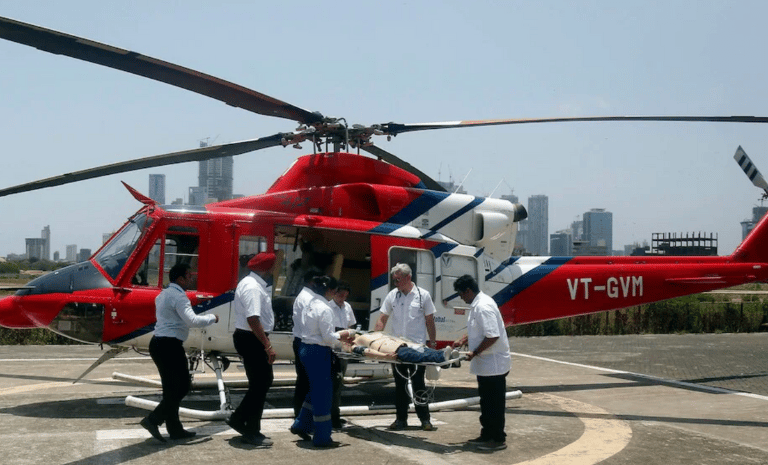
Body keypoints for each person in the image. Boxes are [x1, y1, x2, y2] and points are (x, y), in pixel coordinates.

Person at [140, 263, 219, 442]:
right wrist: (212, 318)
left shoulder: (162, 294)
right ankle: (153, 420)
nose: (191, 279)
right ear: (180, 279)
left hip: (158, 343)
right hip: (170, 345)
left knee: (171, 389)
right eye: (189, 276)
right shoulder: (179, 296)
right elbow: (192, 321)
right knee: (182, 386)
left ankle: (175, 429)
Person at [290, 276, 355, 447]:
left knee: (314, 390)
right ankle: (322, 437)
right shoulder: (325, 309)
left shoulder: (310, 304)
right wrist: (344, 335)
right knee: (323, 395)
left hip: (306, 348)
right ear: (330, 291)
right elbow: (328, 338)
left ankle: (301, 423)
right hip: (318, 352)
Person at [374, 263, 437, 431]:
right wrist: (375, 340)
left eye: (398, 280)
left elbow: (430, 321)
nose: (395, 283)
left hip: (417, 349)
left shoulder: (423, 295)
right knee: (400, 385)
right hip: (398, 348)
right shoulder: (392, 295)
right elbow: (382, 319)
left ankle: (425, 420)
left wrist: (432, 343)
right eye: (394, 280)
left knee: (418, 385)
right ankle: (401, 420)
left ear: (408, 278)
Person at [451, 274, 511, 452]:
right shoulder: (477, 305)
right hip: (485, 365)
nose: (461, 298)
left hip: (493, 364)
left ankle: (497, 438)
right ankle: (487, 434)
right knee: (486, 402)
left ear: (468, 291)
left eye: (461, 294)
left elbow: (492, 335)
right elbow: (479, 330)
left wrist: (475, 352)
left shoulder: (483, 306)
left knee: (494, 403)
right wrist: (463, 340)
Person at [227, 252, 277, 447]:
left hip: (250, 337)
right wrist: (267, 345)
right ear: (267, 269)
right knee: (260, 384)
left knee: (261, 384)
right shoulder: (253, 287)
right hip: (251, 338)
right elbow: (253, 319)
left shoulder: (251, 283)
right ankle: (248, 429)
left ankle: (244, 422)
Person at [291, 267, 323, 417]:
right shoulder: (308, 299)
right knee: (306, 381)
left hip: (302, 340)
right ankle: (301, 415)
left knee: (304, 380)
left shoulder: (306, 296)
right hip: (306, 342)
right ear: (312, 282)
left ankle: (301, 415)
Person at [329, 280, 356, 429]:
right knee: (330, 383)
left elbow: (351, 325)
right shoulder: (328, 306)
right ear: (335, 293)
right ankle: (328, 415)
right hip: (331, 347)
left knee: (339, 384)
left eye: (345, 296)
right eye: (340, 295)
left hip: (343, 348)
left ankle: (335, 415)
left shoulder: (347, 307)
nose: (342, 299)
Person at [344, 331, 453, 363]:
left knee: (424, 350)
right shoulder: (355, 346)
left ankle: (449, 356)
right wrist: (384, 356)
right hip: (393, 350)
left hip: (402, 343)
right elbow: (367, 351)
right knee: (420, 355)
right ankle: (442, 356)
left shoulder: (366, 333)